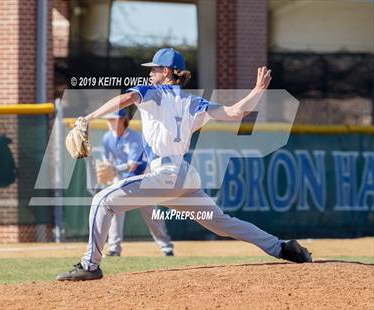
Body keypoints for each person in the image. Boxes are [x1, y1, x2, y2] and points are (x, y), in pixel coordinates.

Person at [57, 48, 312, 281]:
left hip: (165, 175)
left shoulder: (152, 92)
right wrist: (257, 92)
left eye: (155, 69)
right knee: (222, 222)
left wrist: (89, 117)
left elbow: (125, 100)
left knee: (102, 201)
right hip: (185, 177)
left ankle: (90, 266)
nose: (151, 73)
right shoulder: (193, 102)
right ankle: (281, 247)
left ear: (166, 72)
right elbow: (236, 113)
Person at [86, 108, 174, 257]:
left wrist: (114, 169)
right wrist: (107, 167)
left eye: (113, 120)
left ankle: (166, 247)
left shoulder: (134, 137)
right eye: (108, 120)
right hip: (120, 178)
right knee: (113, 209)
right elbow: (108, 160)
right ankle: (114, 248)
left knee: (151, 213)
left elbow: (134, 164)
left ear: (122, 120)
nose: (109, 123)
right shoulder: (107, 137)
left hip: (141, 177)